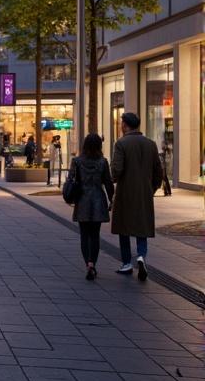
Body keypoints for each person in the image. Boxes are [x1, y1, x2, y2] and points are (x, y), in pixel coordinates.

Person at [110, 112, 162, 279]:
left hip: (126, 191)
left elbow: (116, 170)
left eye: (121, 123)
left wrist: (112, 180)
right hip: (144, 192)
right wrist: (151, 188)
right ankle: (141, 256)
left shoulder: (121, 143)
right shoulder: (151, 144)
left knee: (123, 228)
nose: (120, 125)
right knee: (142, 227)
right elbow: (158, 171)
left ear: (125, 125)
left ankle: (126, 263)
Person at [68, 133, 114, 280]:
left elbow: (71, 180)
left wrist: (71, 196)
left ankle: (87, 263)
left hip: (82, 199)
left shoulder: (76, 161)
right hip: (98, 200)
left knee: (84, 235)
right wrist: (111, 199)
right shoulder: (103, 162)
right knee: (95, 235)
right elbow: (108, 183)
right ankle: (92, 263)